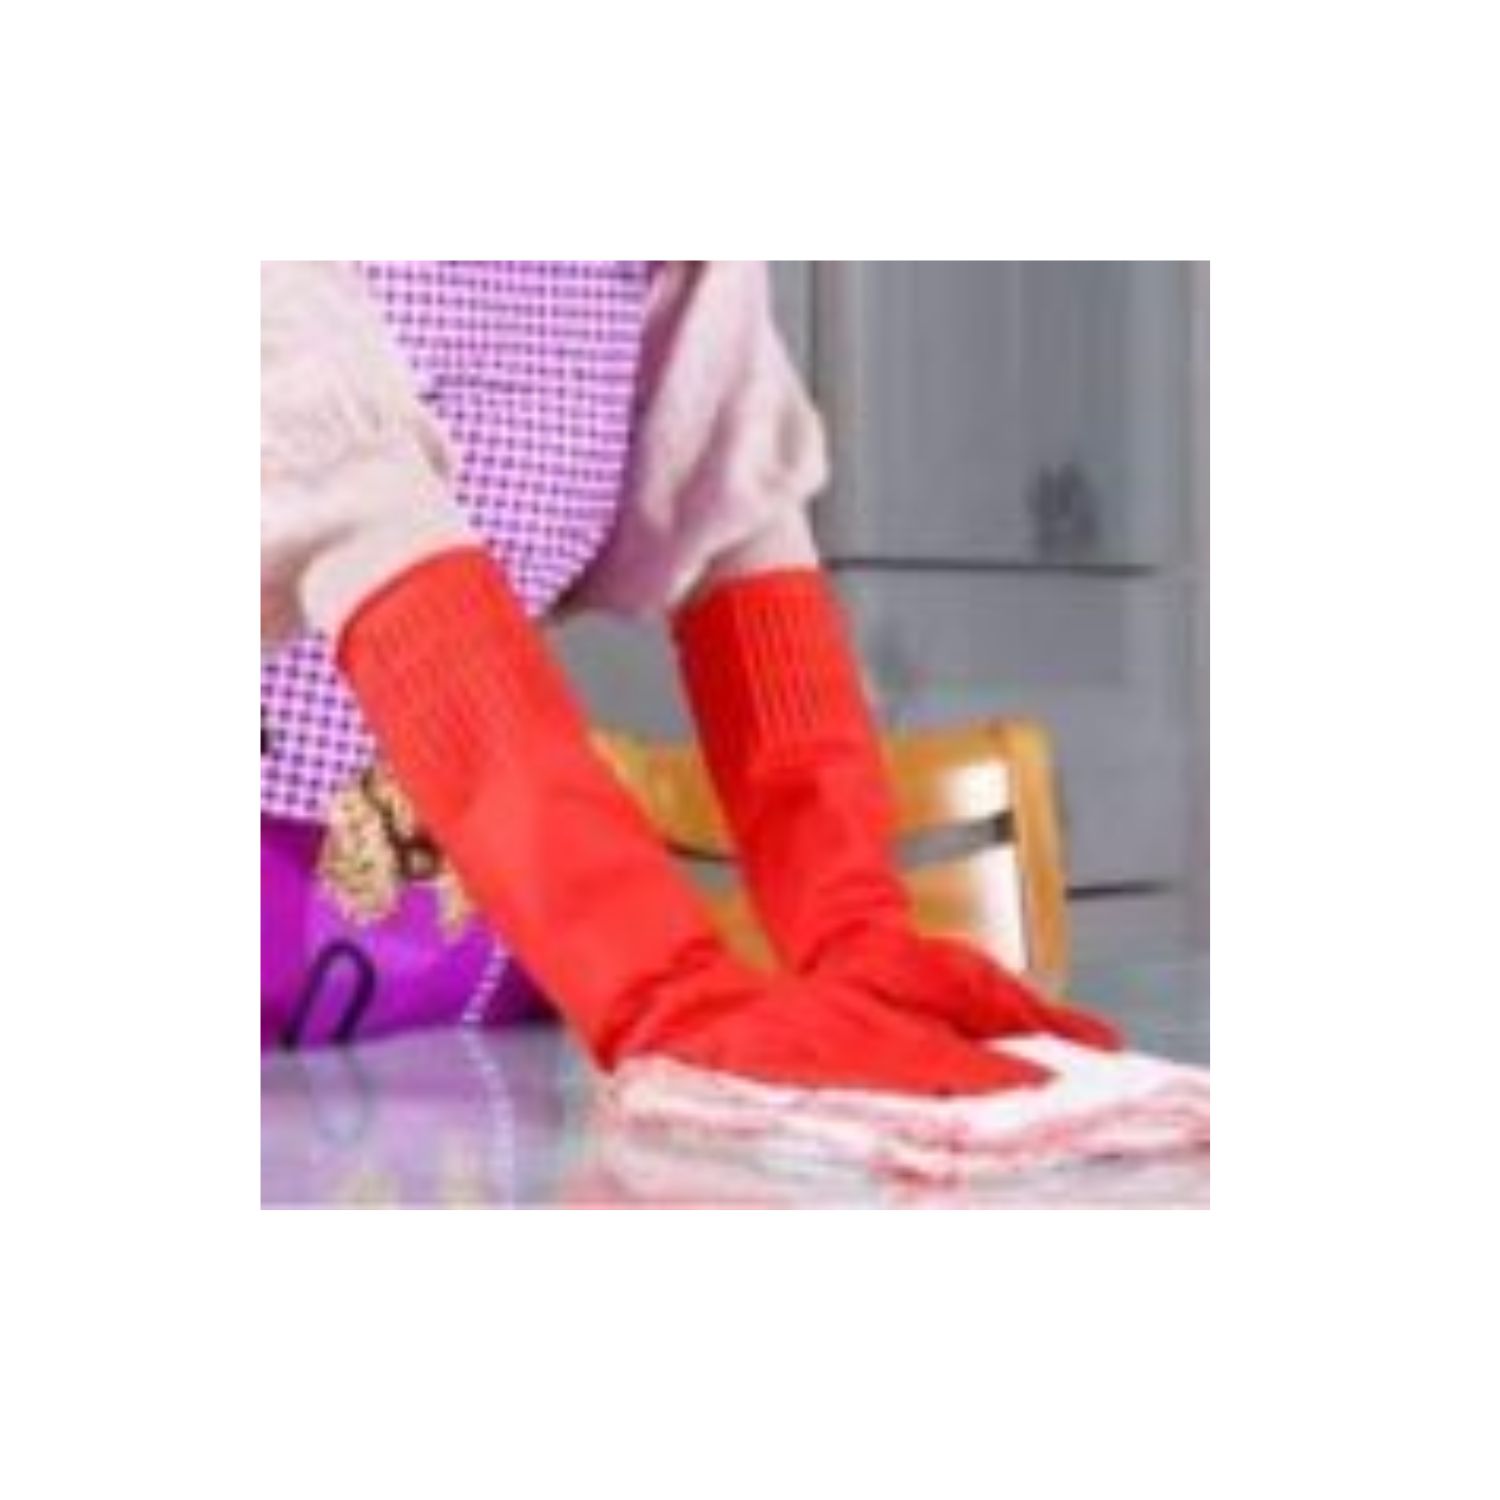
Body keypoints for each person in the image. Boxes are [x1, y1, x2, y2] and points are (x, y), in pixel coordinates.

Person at [261, 260, 1119, 1092]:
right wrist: (659, 979)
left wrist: (853, 922)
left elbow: (735, 511)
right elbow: (354, 513)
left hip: (486, 938)